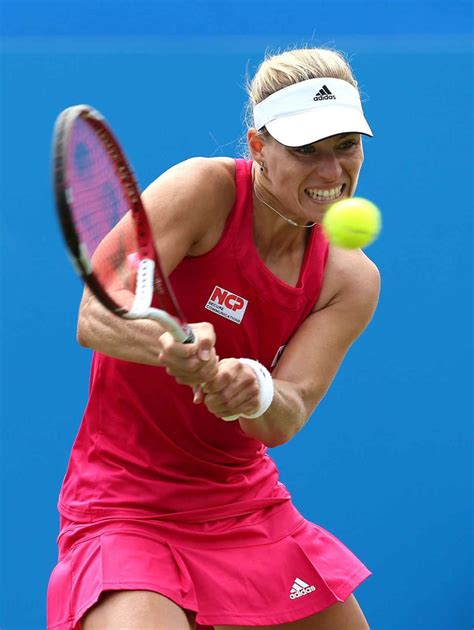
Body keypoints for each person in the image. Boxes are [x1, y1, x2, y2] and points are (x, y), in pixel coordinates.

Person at [47, 46, 380, 630]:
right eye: (306, 150)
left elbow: (286, 413)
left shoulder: (349, 278)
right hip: (126, 505)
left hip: (245, 506)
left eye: (345, 146)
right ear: (258, 147)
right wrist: (167, 344)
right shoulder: (204, 190)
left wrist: (251, 387)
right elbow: (96, 315)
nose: (332, 173)